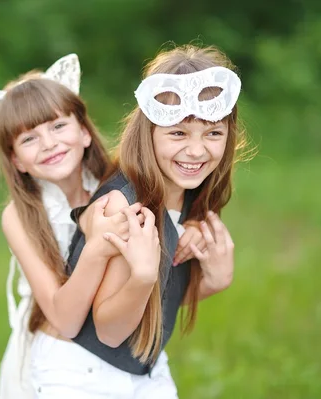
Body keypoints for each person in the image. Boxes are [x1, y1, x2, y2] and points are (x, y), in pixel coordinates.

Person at [29, 44, 252, 398]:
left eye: (213, 133)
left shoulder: (189, 191)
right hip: (83, 371)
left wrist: (215, 280)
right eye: (178, 133)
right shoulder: (125, 208)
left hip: (139, 366)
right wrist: (142, 274)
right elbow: (111, 331)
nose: (196, 151)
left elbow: (159, 301)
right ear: (148, 133)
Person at [0, 54, 144, 399]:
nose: (48, 143)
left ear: (84, 132)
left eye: (58, 126)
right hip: (57, 351)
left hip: (120, 341)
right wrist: (95, 248)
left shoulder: (116, 187)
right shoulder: (20, 216)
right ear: (16, 159)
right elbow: (65, 319)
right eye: (28, 138)